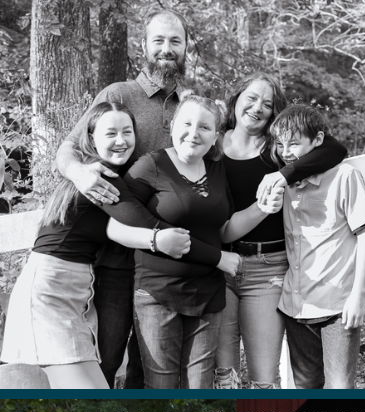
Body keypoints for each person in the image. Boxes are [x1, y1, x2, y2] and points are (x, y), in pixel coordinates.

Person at [0, 102, 215, 387]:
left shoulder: (101, 172)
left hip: (72, 291)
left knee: (94, 391)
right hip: (49, 291)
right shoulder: (99, 177)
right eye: (110, 133)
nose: (121, 140)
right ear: (91, 138)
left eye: (127, 132)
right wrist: (215, 255)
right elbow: (142, 222)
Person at [55, 9, 192, 388]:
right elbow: (67, 150)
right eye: (159, 41)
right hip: (115, 261)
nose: (167, 49)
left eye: (175, 41)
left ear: (185, 48)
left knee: (150, 366)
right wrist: (80, 173)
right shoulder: (119, 94)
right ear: (144, 47)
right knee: (107, 356)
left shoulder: (190, 106)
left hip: (164, 265)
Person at [123, 95, 278, 388]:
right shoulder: (150, 166)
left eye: (204, 127)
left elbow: (224, 231)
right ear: (172, 127)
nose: (194, 133)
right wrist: (156, 240)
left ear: (214, 137)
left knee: (200, 388)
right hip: (158, 294)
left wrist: (262, 209)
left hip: (208, 295)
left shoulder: (217, 169)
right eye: (187, 123)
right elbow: (117, 222)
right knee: (162, 385)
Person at [214, 73, 349, 388]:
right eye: (251, 98)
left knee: (264, 377)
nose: (257, 108)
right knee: (223, 374)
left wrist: (284, 174)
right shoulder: (214, 144)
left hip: (268, 270)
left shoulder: (277, 148)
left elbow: (335, 149)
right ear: (236, 99)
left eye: (267, 104)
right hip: (218, 265)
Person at [269, 104, 365, 389]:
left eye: (294, 143)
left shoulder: (345, 177)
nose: (286, 151)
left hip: (337, 305)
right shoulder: (285, 182)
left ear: (317, 140)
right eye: (280, 144)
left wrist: (359, 296)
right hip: (296, 306)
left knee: (340, 386)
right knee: (305, 387)